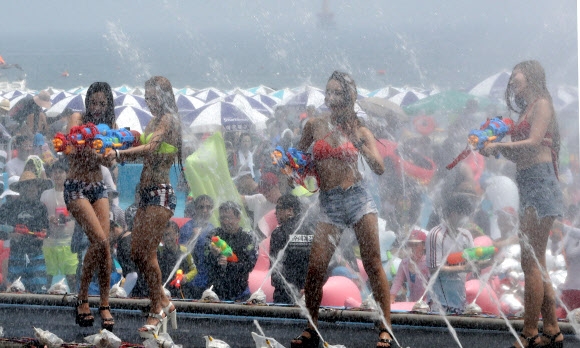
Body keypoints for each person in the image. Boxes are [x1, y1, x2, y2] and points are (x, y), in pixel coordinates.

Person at [291, 71, 393, 348]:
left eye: (337, 93)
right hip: (330, 204)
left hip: (357, 198)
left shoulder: (360, 130)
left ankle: (385, 327)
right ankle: (311, 326)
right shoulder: (314, 125)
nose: (331, 98)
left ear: (348, 98)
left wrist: (361, 145)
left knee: (372, 263)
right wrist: (290, 168)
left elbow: (380, 168)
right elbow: (297, 158)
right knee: (315, 268)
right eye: (329, 92)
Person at [480, 60, 564, 348]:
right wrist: (494, 148)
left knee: (530, 261)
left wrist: (500, 146)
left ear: (529, 75)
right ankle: (551, 329)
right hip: (530, 183)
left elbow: (534, 142)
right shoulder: (527, 109)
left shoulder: (542, 104)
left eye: (516, 72)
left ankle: (529, 334)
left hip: (541, 185)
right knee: (537, 261)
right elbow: (523, 154)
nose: (512, 77)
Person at [107, 76, 181, 338]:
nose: (150, 102)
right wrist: (119, 143)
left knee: (147, 253)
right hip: (146, 194)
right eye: (147, 98)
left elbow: (151, 147)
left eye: (153, 98)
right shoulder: (153, 120)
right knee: (137, 254)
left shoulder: (168, 120)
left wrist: (118, 155)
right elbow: (141, 150)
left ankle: (156, 308)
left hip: (161, 194)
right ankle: (164, 300)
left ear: (164, 97)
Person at [64, 82, 116, 331]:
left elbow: (110, 161)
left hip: (98, 188)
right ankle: (83, 298)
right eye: (93, 102)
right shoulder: (77, 116)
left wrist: (110, 156)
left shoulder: (109, 126)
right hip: (76, 186)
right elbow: (69, 150)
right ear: (87, 102)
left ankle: (104, 303)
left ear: (108, 105)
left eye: (102, 104)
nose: (96, 108)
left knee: (105, 248)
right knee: (100, 241)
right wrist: (96, 152)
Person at [0, 170, 51, 293]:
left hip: (36, 255)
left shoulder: (41, 207)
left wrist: (44, 234)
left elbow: (47, 230)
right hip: (16, 256)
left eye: (33, 185)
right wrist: (11, 235)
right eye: (27, 185)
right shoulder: (9, 207)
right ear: (20, 188)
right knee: (15, 291)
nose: (31, 188)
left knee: (39, 292)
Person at [205, 201, 257, 301]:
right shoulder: (214, 235)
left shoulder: (248, 238)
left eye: (228, 218)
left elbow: (249, 265)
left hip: (239, 292)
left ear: (238, 218)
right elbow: (205, 261)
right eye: (222, 218)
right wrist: (214, 255)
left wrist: (228, 263)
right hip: (215, 291)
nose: (225, 221)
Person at [269, 194, 314, 304]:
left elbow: (275, 269)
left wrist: (291, 288)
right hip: (308, 293)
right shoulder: (312, 230)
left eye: (278, 209)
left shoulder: (279, 233)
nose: (275, 213)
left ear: (290, 210)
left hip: (285, 294)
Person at [41, 158, 78, 292]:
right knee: (48, 275)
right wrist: (48, 218)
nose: (57, 175)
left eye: (60, 172)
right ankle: (45, 299)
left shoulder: (72, 194)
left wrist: (69, 217)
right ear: (50, 175)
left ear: (67, 174)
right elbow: (40, 217)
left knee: (72, 276)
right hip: (50, 242)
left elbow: (80, 215)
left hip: (68, 241)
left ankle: (76, 298)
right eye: (54, 172)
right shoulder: (45, 195)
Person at [390, 229, 429, 303]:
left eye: (415, 245)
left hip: (427, 302)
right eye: (410, 245)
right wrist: (391, 297)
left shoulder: (427, 262)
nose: (412, 248)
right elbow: (397, 281)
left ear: (424, 246)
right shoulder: (405, 263)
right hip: (412, 301)